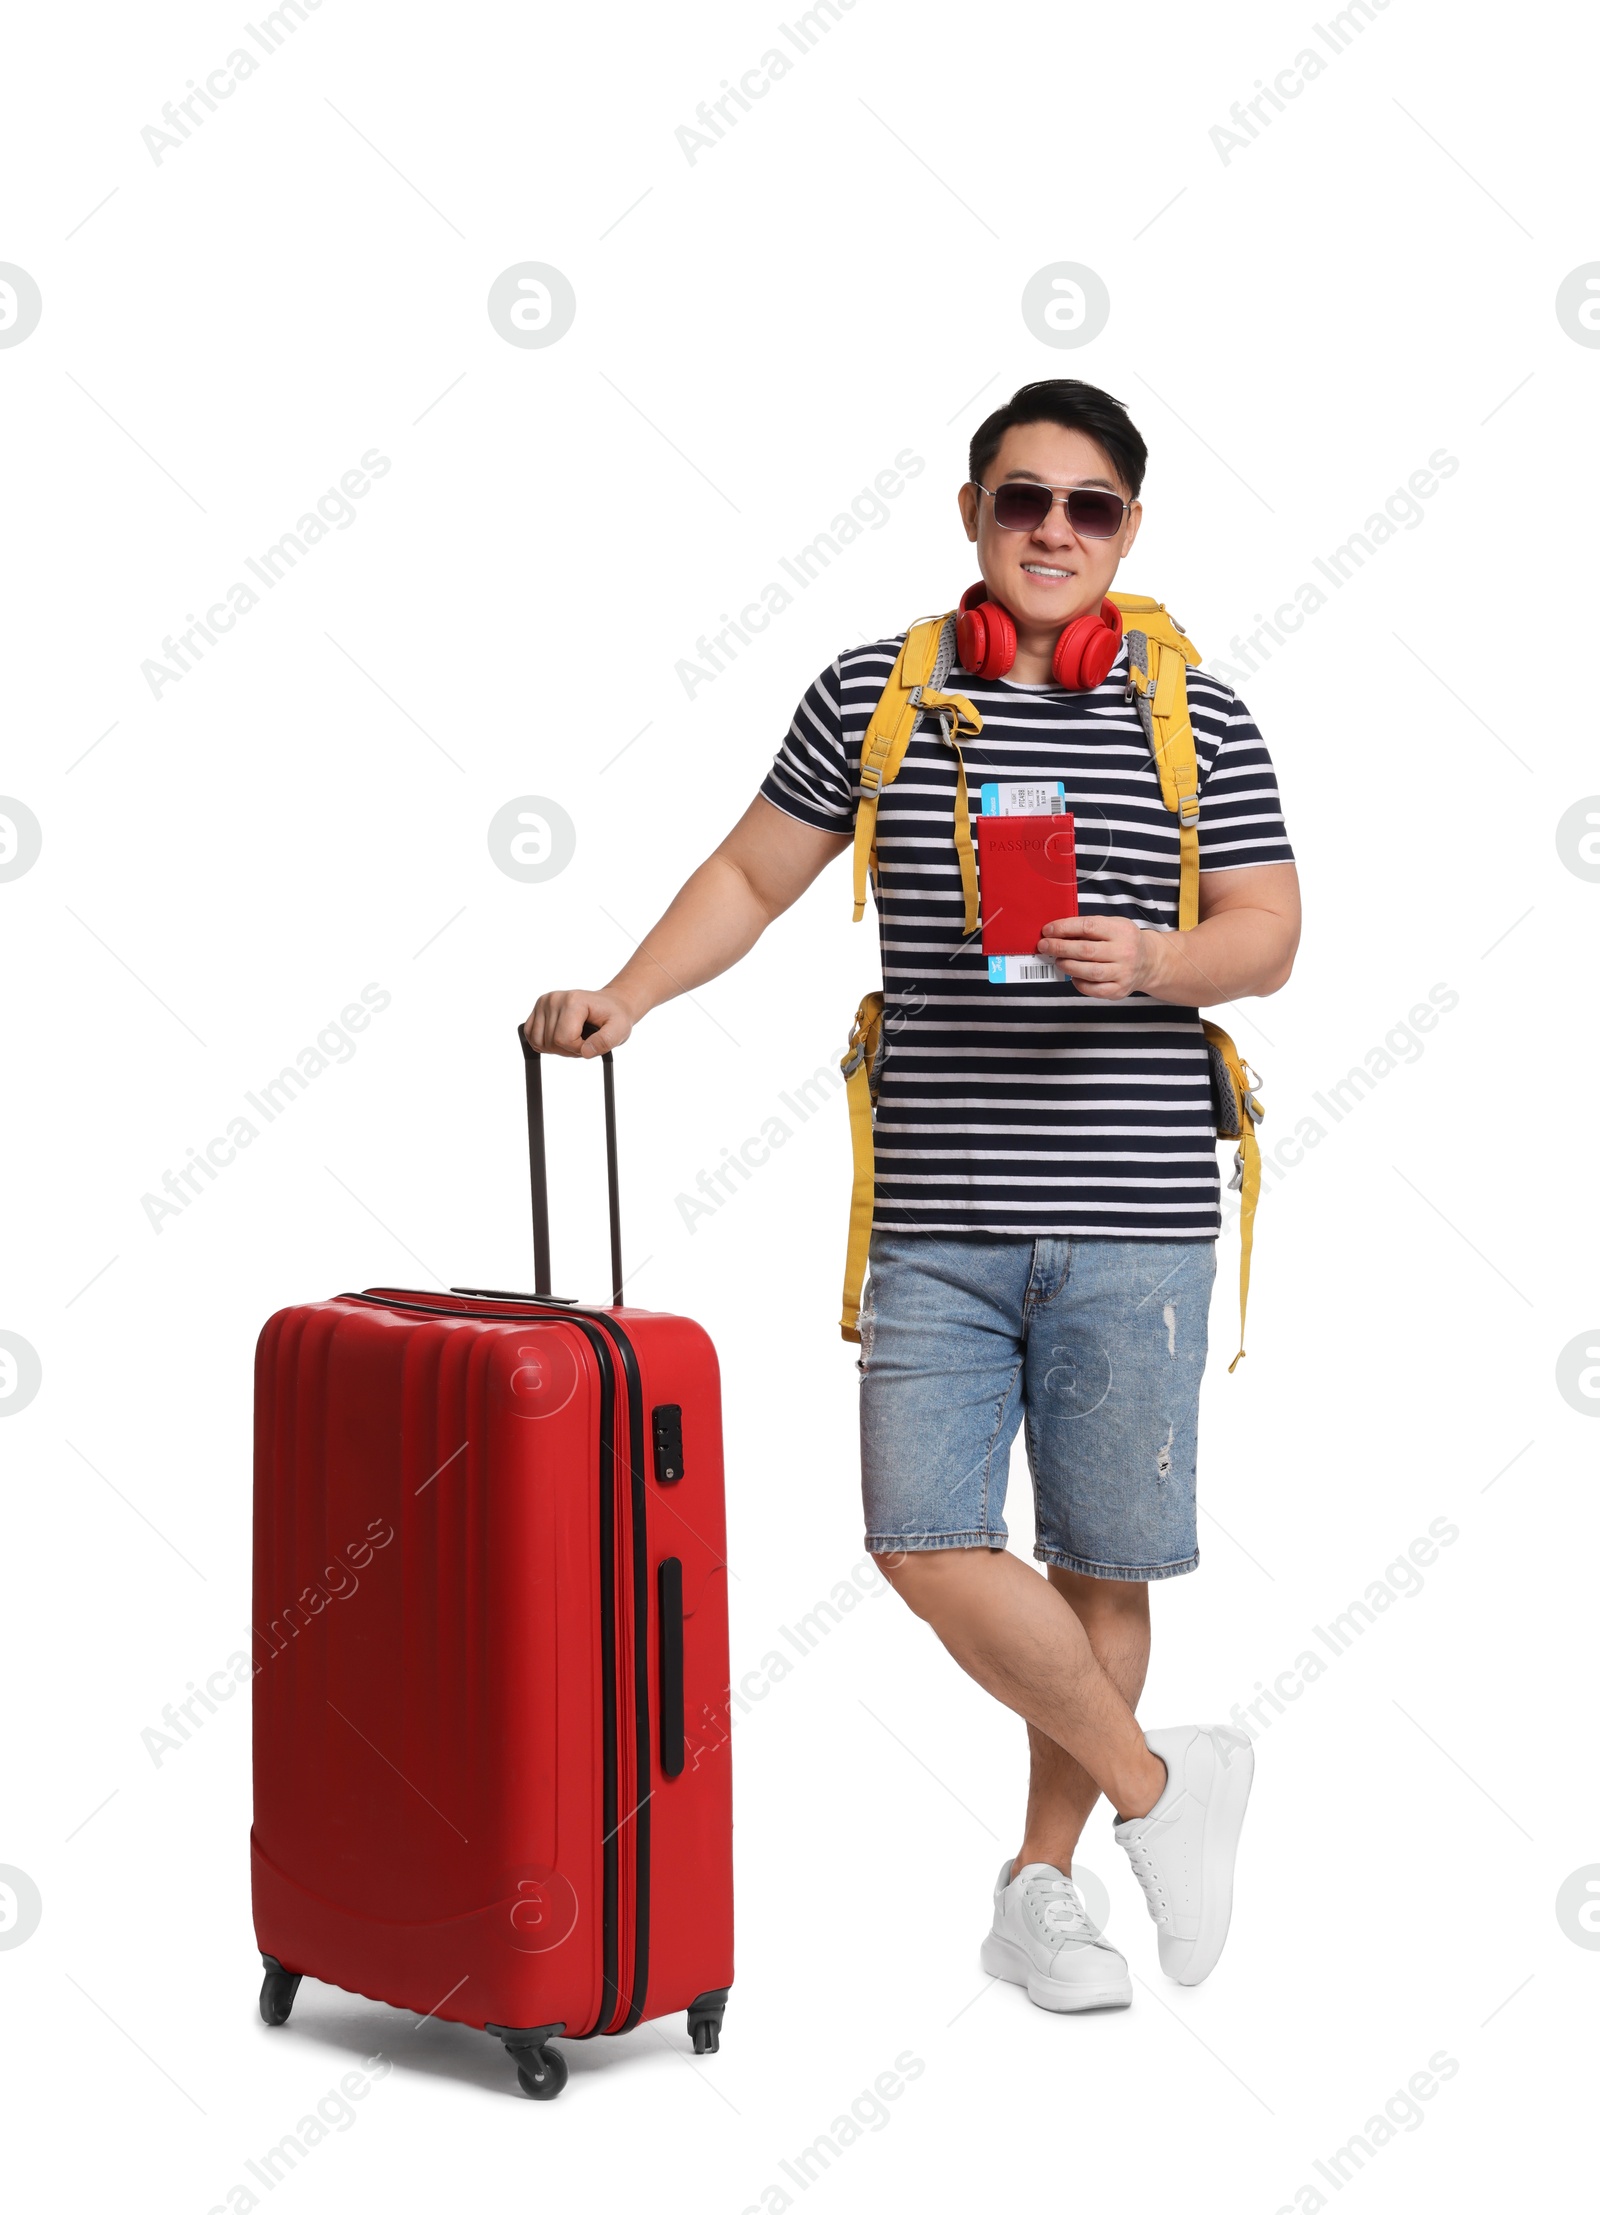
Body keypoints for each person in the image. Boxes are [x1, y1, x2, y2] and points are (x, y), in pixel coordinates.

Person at [525, 378, 1300, 2014]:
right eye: (1024, 499)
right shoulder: (879, 696)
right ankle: (1168, 1789)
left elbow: (1272, 932)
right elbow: (751, 873)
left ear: (1129, 533)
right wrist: (628, 995)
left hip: (1136, 1211)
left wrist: (1159, 960)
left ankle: (1044, 1891)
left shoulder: (1197, 712)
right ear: (971, 512)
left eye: (1090, 508)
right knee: (925, 1539)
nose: (1054, 532)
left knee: (1100, 1564)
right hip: (938, 1218)